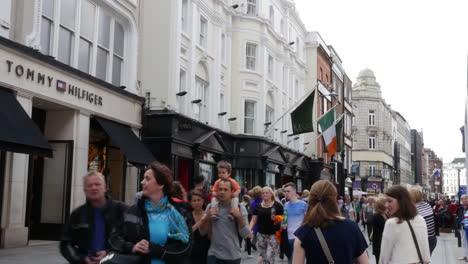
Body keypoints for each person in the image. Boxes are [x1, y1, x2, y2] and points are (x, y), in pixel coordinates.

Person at [109, 162, 191, 264]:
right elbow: (114, 239)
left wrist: (156, 249)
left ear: (160, 184)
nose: (142, 182)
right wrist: (132, 247)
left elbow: (185, 248)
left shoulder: (179, 213)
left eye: (147, 179)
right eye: (143, 178)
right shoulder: (133, 211)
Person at [292, 180, 368, 264]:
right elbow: (364, 261)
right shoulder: (352, 227)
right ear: (335, 199)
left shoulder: (303, 232)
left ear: (311, 200)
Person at [60, 171, 128, 264]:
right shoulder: (77, 214)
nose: (93, 188)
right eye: (89, 185)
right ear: (84, 190)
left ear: (104, 188)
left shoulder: (121, 210)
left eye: (97, 184)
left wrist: (110, 253)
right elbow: (65, 244)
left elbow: (129, 240)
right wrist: (81, 259)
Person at [199, 179, 251, 263]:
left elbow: (246, 234)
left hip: (232, 257)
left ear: (232, 192)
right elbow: (202, 232)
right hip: (213, 255)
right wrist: (207, 217)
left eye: (225, 189)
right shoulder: (211, 206)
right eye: (220, 189)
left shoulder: (240, 208)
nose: (222, 192)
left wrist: (239, 217)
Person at [379, 185, 430, 264]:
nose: (386, 205)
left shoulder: (392, 223)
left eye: (390, 201)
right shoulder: (420, 219)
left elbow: (384, 258)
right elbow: (426, 254)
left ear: (401, 201)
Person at [249, 186, 284, 264]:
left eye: (266, 193)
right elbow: (253, 220)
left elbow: (284, 219)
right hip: (261, 235)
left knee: (269, 256)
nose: (264, 194)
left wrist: (276, 218)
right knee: (264, 257)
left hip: (273, 235)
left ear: (271, 194)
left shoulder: (278, 205)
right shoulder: (258, 206)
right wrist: (249, 229)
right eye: (263, 193)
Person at [282, 182, 307, 264]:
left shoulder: (303, 204)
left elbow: (307, 220)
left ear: (294, 191)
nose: (286, 193)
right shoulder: (285, 205)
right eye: (285, 191)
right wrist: (283, 224)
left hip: (299, 238)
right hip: (288, 237)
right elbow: (285, 220)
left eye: (288, 191)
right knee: (290, 260)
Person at [408, 187, 437, 255]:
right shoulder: (427, 205)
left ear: (413, 198)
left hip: (423, 240)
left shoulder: (415, 209)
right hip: (432, 239)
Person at [187, 190, 210, 264]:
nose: (197, 203)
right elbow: (188, 232)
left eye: (199, 200)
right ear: (190, 203)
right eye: (194, 201)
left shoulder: (208, 214)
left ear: (203, 201)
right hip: (191, 252)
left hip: (206, 251)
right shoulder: (187, 216)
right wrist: (202, 221)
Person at [371, 195, 388, 264]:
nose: (388, 204)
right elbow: (384, 228)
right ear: (382, 205)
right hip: (379, 244)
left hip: (384, 243)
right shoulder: (377, 216)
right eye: (386, 202)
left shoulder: (385, 214)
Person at [250, 185, 263, 251]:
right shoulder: (262, 201)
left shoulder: (252, 202)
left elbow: (251, 211)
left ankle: (252, 242)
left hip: (254, 218)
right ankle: (256, 243)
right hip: (261, 218)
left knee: (255, 230)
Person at [457, 194, 468, 261]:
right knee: (463, 241)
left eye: (465, 199)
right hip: (462, 227)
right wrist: (458, 227)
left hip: (467, 227)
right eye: (462, 199)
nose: (463, 201)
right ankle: (465, 255)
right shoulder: (461, 207)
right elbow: (459, 217)